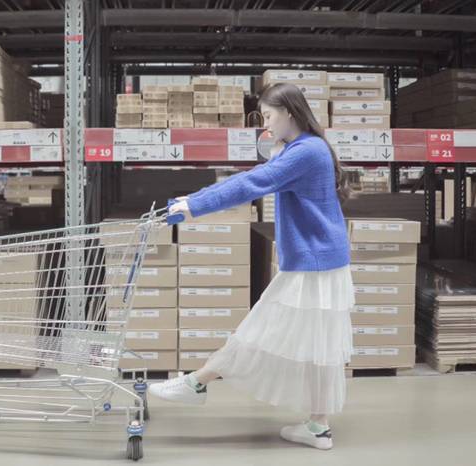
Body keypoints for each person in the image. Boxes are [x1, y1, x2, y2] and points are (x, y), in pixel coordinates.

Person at [148, 82, 354, 451]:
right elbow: (256, 175)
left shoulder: (305, 152)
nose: (266, 123)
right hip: (321, 259)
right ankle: (318, 427)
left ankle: (197, 382)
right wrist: (192, 199)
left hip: (314, 263)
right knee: (317, 346)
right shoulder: (304, 148)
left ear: (288, 112)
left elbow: (253, 182)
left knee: (261, 328)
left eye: (269, 115)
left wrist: (194, 206)